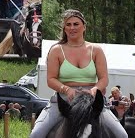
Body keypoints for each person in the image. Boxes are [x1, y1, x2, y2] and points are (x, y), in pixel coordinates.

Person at [30, 9, 128, 138]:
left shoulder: (96, 50)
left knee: (122, 135)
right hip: (63, 100)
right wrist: (66, 89)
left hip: (92, 100)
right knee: (36, 135)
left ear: (84, 27)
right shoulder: (56, 50)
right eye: (68, 24)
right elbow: (51, 79)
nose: (72, 28)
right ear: (64, 29)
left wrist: (94, 90)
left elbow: (104, 79)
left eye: (76, 24)